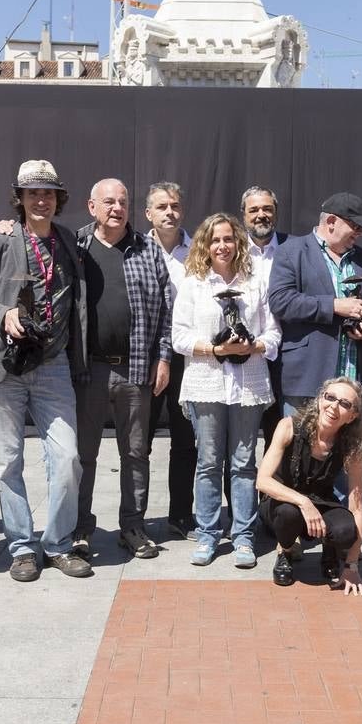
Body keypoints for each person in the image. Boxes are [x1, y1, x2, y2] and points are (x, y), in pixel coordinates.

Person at [0, 160, 91, 582]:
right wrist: (2, 314)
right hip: (5, 365)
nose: (41, 199)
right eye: (32, 193)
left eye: (48, 193)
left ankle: (57, 543)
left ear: (59, 199)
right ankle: (21, 547)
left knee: (67, 457)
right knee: (7, 462)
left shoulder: (71, 242)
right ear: (19, 198)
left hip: (53, 364)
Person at [172, 213, 279, 568]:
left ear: (239, 243)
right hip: (206, 384)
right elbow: (180, 338)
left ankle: (243, 537)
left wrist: (254, 347)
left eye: (229, 239)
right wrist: (216, 350)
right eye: (215, 240)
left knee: (243, 465)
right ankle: (207, 535)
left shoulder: (254, 284)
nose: (222, 246)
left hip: (247, 383)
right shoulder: (194, 284)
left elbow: (273, 333)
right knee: (207, 463)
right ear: (205, 244)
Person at [74, 179, 173, 560]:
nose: (116, 208)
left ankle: (132, 526)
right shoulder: (75, 247)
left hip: (135, 371)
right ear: (92, 206)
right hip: (88, 372)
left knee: (135, 454)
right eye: (108, 202)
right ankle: (80, 529)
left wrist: (162, 357)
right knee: (83, 456)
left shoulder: (148, 249)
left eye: (122, 202)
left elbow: (166, 311)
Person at [268, 192, 362, 413]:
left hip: (351, 378)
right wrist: (333, 305)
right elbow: (280, 301)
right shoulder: (291, 252)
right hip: (307, 376)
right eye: (356, 226)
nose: (360, 233)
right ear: (331, 221)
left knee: (345, 448)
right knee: (301, 445)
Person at [257, 377, 362, 594]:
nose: (334, 406)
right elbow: (262, 481)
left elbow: (357, 507)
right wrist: (303, 502)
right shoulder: (289, 426)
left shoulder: (351, 446)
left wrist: (352, 566)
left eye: (345, 404)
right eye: (330, 397)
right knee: (289, 514)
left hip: (322, 499)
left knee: (346, 530)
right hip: (282, 499)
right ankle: (285, 552)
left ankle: (330, 552)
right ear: (320, 399)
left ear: (352, 416)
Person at [144, 181, 198, 541]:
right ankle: (135, 519)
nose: (169, 212)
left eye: (174, 206)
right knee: (139, 443)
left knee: (186, 441)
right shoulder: (133, 249)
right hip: (144, 358)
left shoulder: (199, 252)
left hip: (188, 359)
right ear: (148, 213)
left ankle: (181, 515)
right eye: (161, 207)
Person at [240, 185, 290, 448]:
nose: (261, 215)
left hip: (286, 354)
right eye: (254, 210)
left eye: (267, 209)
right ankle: (238, 491)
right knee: (239, 438)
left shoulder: (295, 248)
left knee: (280, 431)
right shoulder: (228, 249)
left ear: (276, 213)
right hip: (241, 353)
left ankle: (275, 489)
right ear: (244, 215)